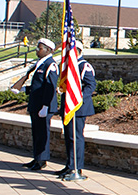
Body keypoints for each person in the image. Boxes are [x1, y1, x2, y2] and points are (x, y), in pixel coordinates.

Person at [55, 41, 96, 180]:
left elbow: (91, 86)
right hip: (68, 107)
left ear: (78, 51)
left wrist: (77, 98)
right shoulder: (68, 67)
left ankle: (76, 167)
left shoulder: (84, 66)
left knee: (76, 137)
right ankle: (69, 164)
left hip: (78, 107)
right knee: (68, 137)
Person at [22, 38, 58, 171]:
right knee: (36, 133)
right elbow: (38, 85)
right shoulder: (40, 64)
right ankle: (37, 157)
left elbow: (50, 87)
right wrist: (24, 89)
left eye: (40, 48)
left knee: (43, 133)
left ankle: (42, 160)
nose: (37, 50)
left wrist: (45, 105)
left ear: (48, 50)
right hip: (36, 104)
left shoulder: (51, 65)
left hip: (43, 106)